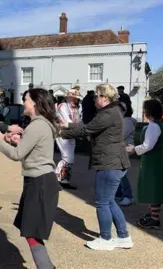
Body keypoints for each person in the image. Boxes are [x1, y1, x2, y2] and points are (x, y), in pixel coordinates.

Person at [0, 88, 60, 269]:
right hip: (39, 181)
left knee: (32, 232)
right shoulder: (41, 123)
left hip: (40, 182)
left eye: (26, 99)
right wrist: (15, 140)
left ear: (35, 103)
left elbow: (17, 155)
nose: (23, 103)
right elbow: (31, 149)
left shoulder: (37, 125)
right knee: (30, 230)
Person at [59, 83, 133, 251]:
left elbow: (86, 130)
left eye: (96, 96)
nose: (94, 100)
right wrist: (68, 125)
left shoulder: (108, 113)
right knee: (110, 201)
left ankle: (105, 239)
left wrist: (60, 132)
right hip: (114, 162)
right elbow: (88, 126)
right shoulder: (111, 112)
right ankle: (123, 236)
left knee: (102, 203)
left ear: (104, 98)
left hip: (110, 163)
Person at [127, 99, 163, 229]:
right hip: (155, 160)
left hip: (153, 161)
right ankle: (153, 215)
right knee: (153, 187)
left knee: (154, 189)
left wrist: (133, 149)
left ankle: (154, 219)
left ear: (148, 111)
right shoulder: (158, 124)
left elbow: (148, 145)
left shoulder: (153, 126)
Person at [55, 87, 82, 189]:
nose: (77, 100)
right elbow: (68, 123)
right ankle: (57, 178)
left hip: (71, 133)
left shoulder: (75, 108)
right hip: (62, 133)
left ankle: (64, 180)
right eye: (74, 98)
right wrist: (80, 127)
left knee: (70, 158)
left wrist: (80, 127)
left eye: (77, 98)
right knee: (67, 157)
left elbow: (78, 122)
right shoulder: (63, 106)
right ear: (69, 98)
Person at [115, 101, 136, 206]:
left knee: (121, 174)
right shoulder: (120, 121)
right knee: (117, 172)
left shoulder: (127, 122)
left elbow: (120, 136)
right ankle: (118, 194)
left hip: (125, 149)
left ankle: (128, 196)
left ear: (124, 111)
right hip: (118, 149)